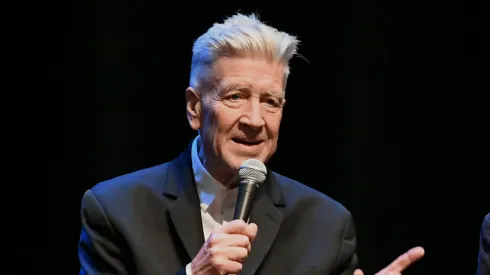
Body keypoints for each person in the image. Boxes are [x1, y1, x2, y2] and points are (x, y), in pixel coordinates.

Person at [78, 13, 425, 275]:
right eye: (236, 97)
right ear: (194, 108)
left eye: (271, 102)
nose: (255, 120)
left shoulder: (326, 225)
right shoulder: (117, 211)